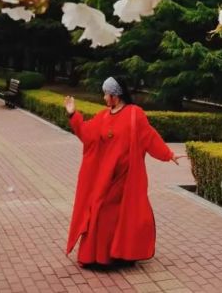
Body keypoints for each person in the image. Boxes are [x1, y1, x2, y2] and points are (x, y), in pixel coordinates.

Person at [65, 76, 186, 269]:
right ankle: (98, 256)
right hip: (105, 177)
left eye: (106, 94)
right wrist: (73, 115)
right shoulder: (103, 116)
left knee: (114, 213)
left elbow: (149, 137)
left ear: (116, 96)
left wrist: (169, 154)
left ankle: (116, 255)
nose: (104, 98)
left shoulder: (134, 114)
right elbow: (87, 134)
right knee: (99, 209)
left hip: (125, 177)